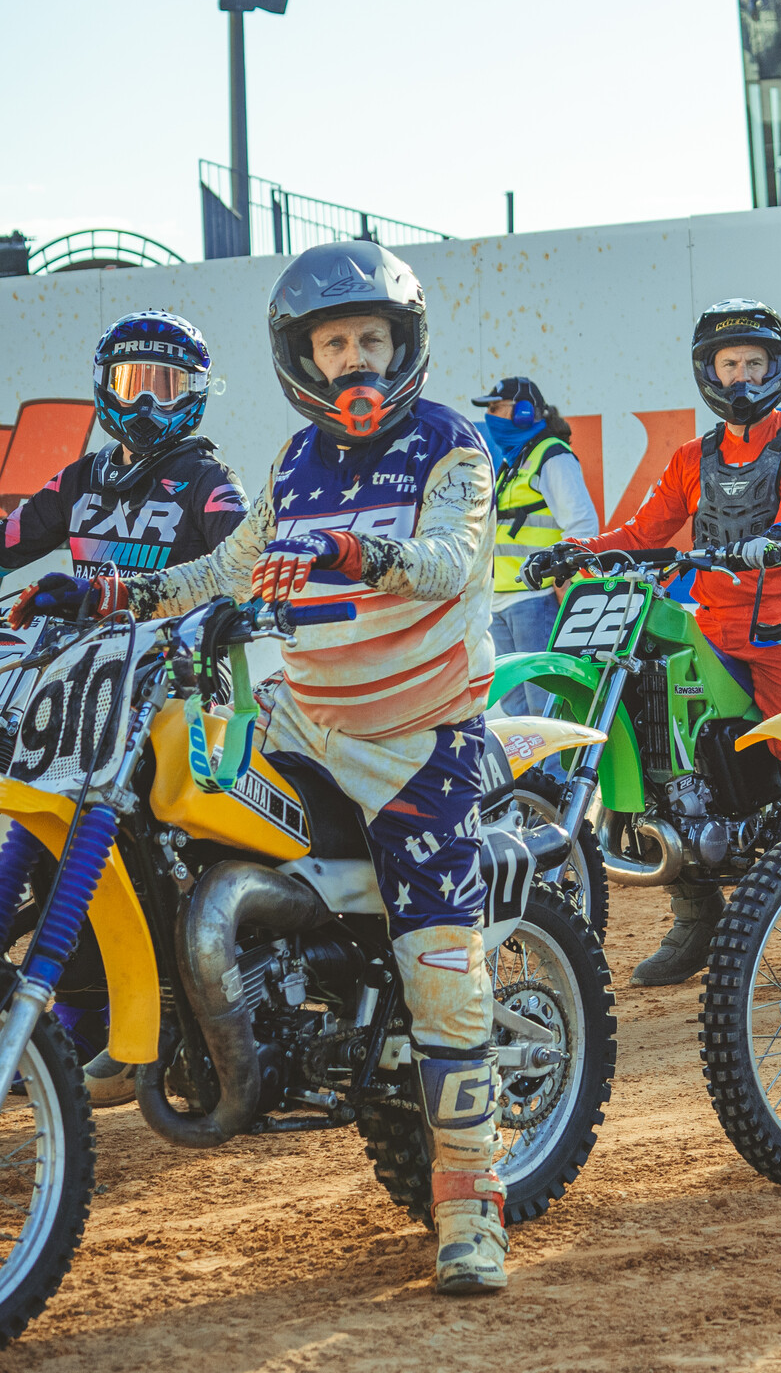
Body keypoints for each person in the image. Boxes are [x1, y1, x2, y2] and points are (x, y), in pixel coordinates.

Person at [17, 241, 511, 1294]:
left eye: (371, 339)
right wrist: (108, 595)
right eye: (334, 345)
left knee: (440, 967)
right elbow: (220, 566)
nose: (354, 363)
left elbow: (453, 562)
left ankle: (471, 1207)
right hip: (306, 724)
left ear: (403, 343)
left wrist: (357, 555)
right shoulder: (294, 463)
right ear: (303, 357)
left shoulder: (451, 448)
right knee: (191, 838)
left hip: (422, 741)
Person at [530, 301, 781, 988]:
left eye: (753, 364)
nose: (741, 377)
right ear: (709, 371)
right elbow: (644, 532)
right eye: (728, 364)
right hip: (711, 627)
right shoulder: (690, 457)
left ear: (776, 369)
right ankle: (695, 917)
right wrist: (576, 552)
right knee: (659, 760)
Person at [4, 310, 247, 1109]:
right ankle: (77, 1027)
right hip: (76, 701)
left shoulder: (208, 482)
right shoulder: (81, 480)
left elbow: (233, 564)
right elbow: (13, 533)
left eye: (165, 387)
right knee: (34, 846)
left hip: (171, 703)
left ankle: (178, 1023)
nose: (145, 404)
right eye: (129, 384)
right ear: (103, 390)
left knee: (158, 863)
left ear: (196, 396)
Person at [472, 377, 599, 713]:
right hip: (500, 601)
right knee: (515, 709)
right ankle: (527, 769)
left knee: (544, 707)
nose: (491, 415)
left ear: (525, 413)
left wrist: (567, 583)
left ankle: (554, 769)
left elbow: (582, 526)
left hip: (536, 598)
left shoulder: (552, 456)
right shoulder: (512, 461)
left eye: (497, 408)